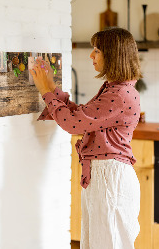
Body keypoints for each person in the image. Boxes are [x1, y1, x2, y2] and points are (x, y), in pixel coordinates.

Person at [30, 27, 142, 249]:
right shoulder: (115, 89)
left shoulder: (119, 94)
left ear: (113, 55)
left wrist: (45, 91)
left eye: (97, 50)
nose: (91, 55)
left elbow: (73, 124)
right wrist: (52, 87)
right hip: (105, 176)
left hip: (110, 178)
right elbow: (81, 116)